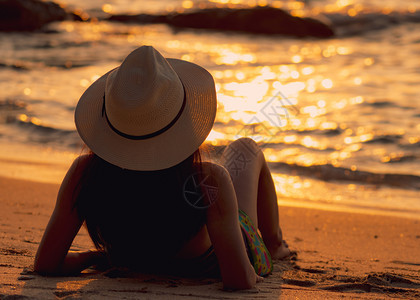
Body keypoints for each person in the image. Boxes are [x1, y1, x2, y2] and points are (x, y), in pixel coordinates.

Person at [34, 45, 290, 290]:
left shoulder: (85, 173)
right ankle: (274, 245)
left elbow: (46, 263)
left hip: (134, 259)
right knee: (245, 147)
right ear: (184, 123)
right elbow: (239, 280)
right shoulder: (209, 179)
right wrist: (252, 274)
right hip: (212, 262)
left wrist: (93, 257)